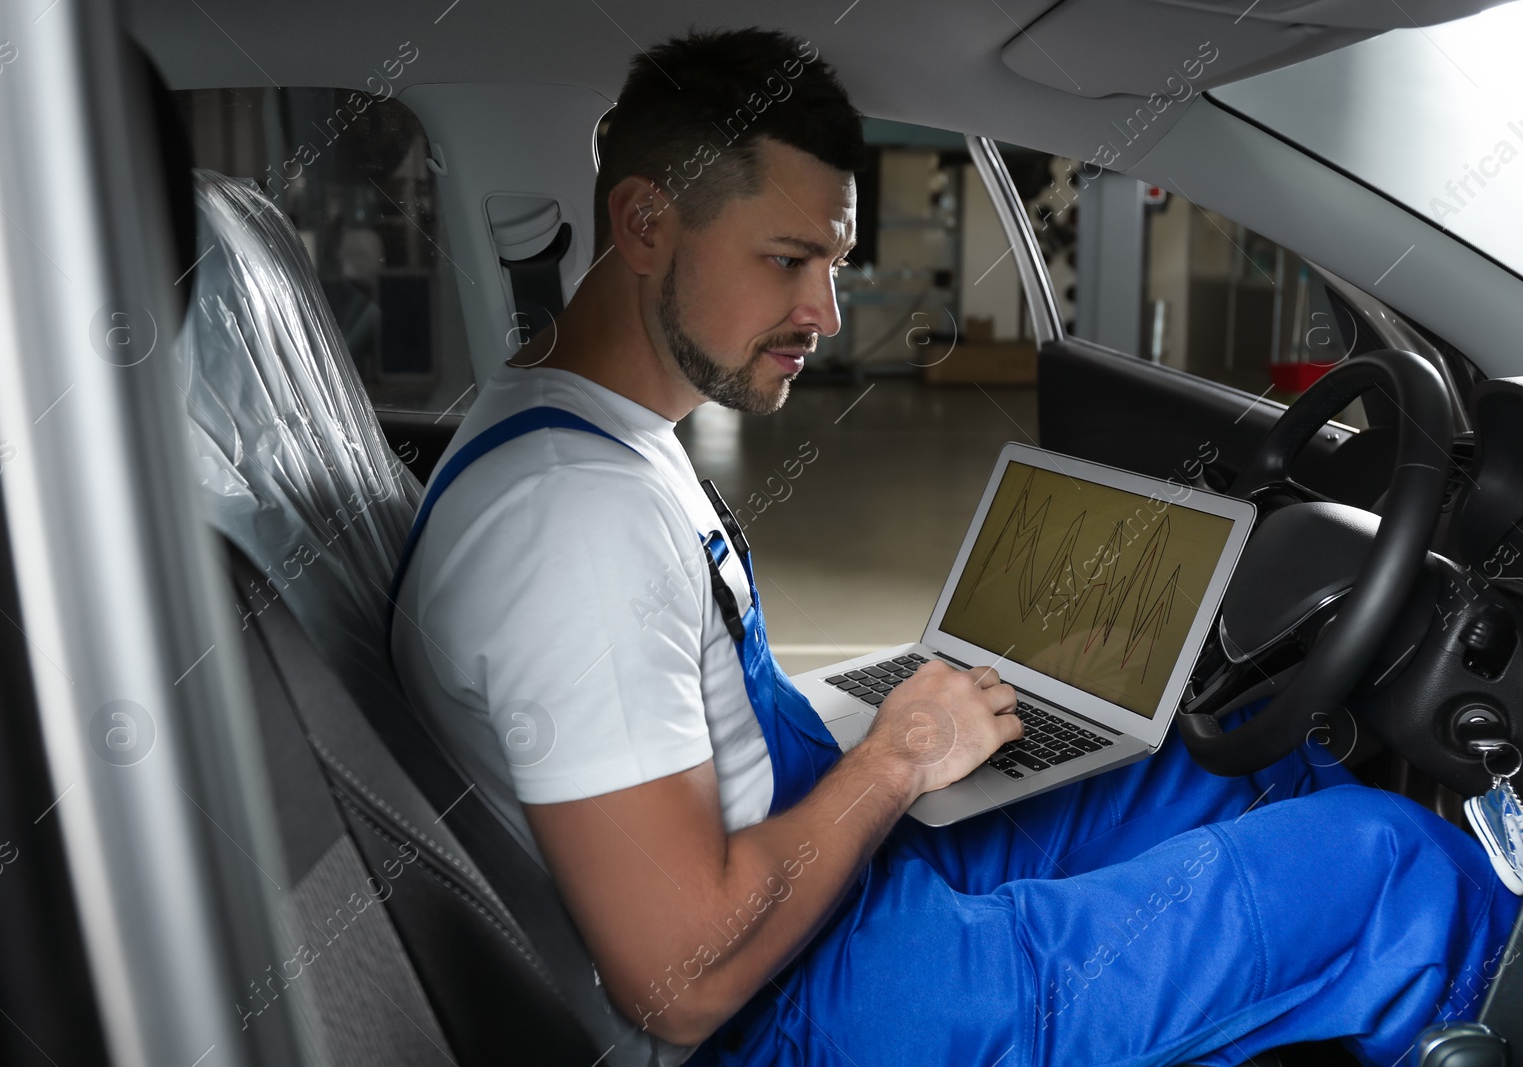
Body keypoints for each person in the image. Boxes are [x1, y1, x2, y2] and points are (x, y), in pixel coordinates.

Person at [387, 27, 1519, 1067]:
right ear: (642, 224)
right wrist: (893, 757)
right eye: (786, 260)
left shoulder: (582, 429)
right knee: (1395, 864)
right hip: (796, 1010)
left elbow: (689, 726)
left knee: (1232, 756)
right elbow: (677, 982)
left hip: (813, 891)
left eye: (831, 261)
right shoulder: (571, 522)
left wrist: (911, 721)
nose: (825, 312)